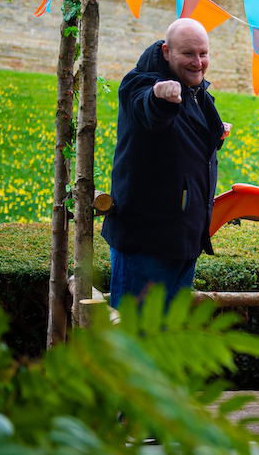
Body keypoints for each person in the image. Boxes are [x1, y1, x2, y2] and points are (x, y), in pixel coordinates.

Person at [102, 18, 232, 309]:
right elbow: (149, 112)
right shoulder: (140, 83)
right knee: (135, 341)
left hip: (185, 242)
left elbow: (181, 143)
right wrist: (160, 99)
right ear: (166, 52)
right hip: (147, 244)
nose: (198, 62)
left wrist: (216, 133)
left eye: (203, 53)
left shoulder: (196, 92)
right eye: (188, 53)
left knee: (165, 343)